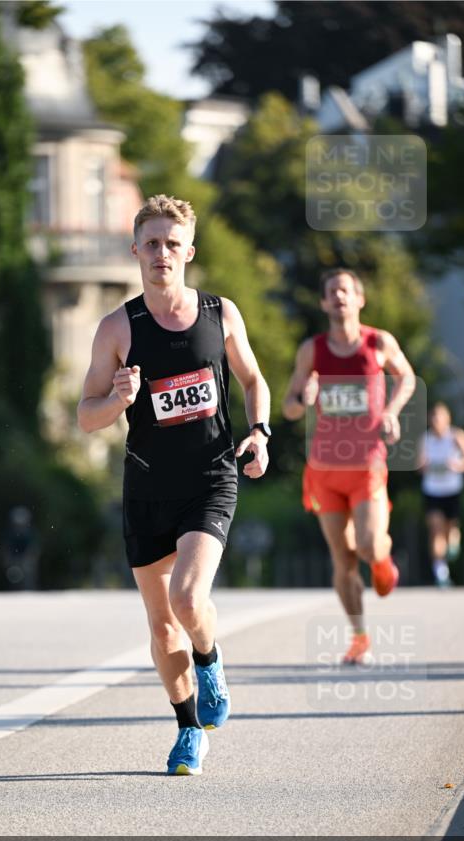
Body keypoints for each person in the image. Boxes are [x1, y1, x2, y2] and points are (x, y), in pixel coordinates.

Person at [77, 194, 270, 775]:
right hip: (146, 489)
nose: (162, 253)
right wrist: (116, 399)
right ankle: (189, 730)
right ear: (135, 251)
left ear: (190, 251)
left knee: (189, 597)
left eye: (172, 243)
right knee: (162, 624)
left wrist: (259, 432)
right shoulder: (117, 328)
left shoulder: (221, 313)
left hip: (211, 478)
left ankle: (209, 660)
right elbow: (86, 414)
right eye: (151, 243)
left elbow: (253, 378)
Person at [282, 268, 416, 664]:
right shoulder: (311, 350)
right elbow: (289, 408)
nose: (339, 297)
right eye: (331, 292)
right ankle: (359, 637)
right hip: (324, 471)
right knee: (342, 559)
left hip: (367, 464)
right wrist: (302, 397)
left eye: (345, 290)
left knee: (370, 543)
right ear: (324, 303)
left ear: (360, 299)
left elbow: (406, 378)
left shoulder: (378, 342)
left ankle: (382, 559)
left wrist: (391, 412)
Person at [419, 402, 464, 587]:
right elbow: (419, 465)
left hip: (452, 491)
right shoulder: (426, 439)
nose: (436, 421)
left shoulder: (456, 436)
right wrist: (424, 466)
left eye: (439, 417)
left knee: (450, 529)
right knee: (436, 530)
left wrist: (458, 465)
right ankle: (441, 571)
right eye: (433, 417)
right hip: (432, 491)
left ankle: (453, 542)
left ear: (447, 419)